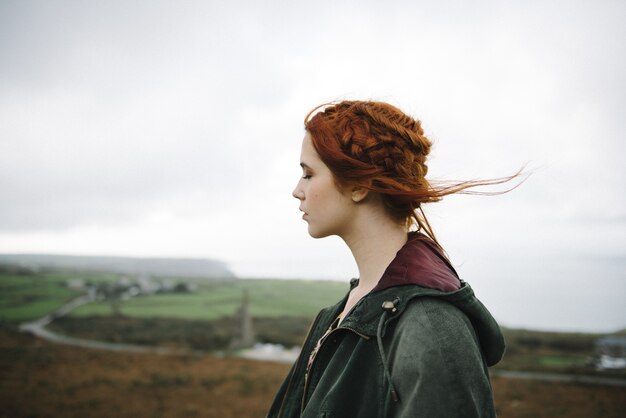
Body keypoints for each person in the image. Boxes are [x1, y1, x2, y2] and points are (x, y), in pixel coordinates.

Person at [267, 100, 517, 418]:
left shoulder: (430, 328)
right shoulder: (351, 306)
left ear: (358, 185)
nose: (296, 191)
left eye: (308, 174)